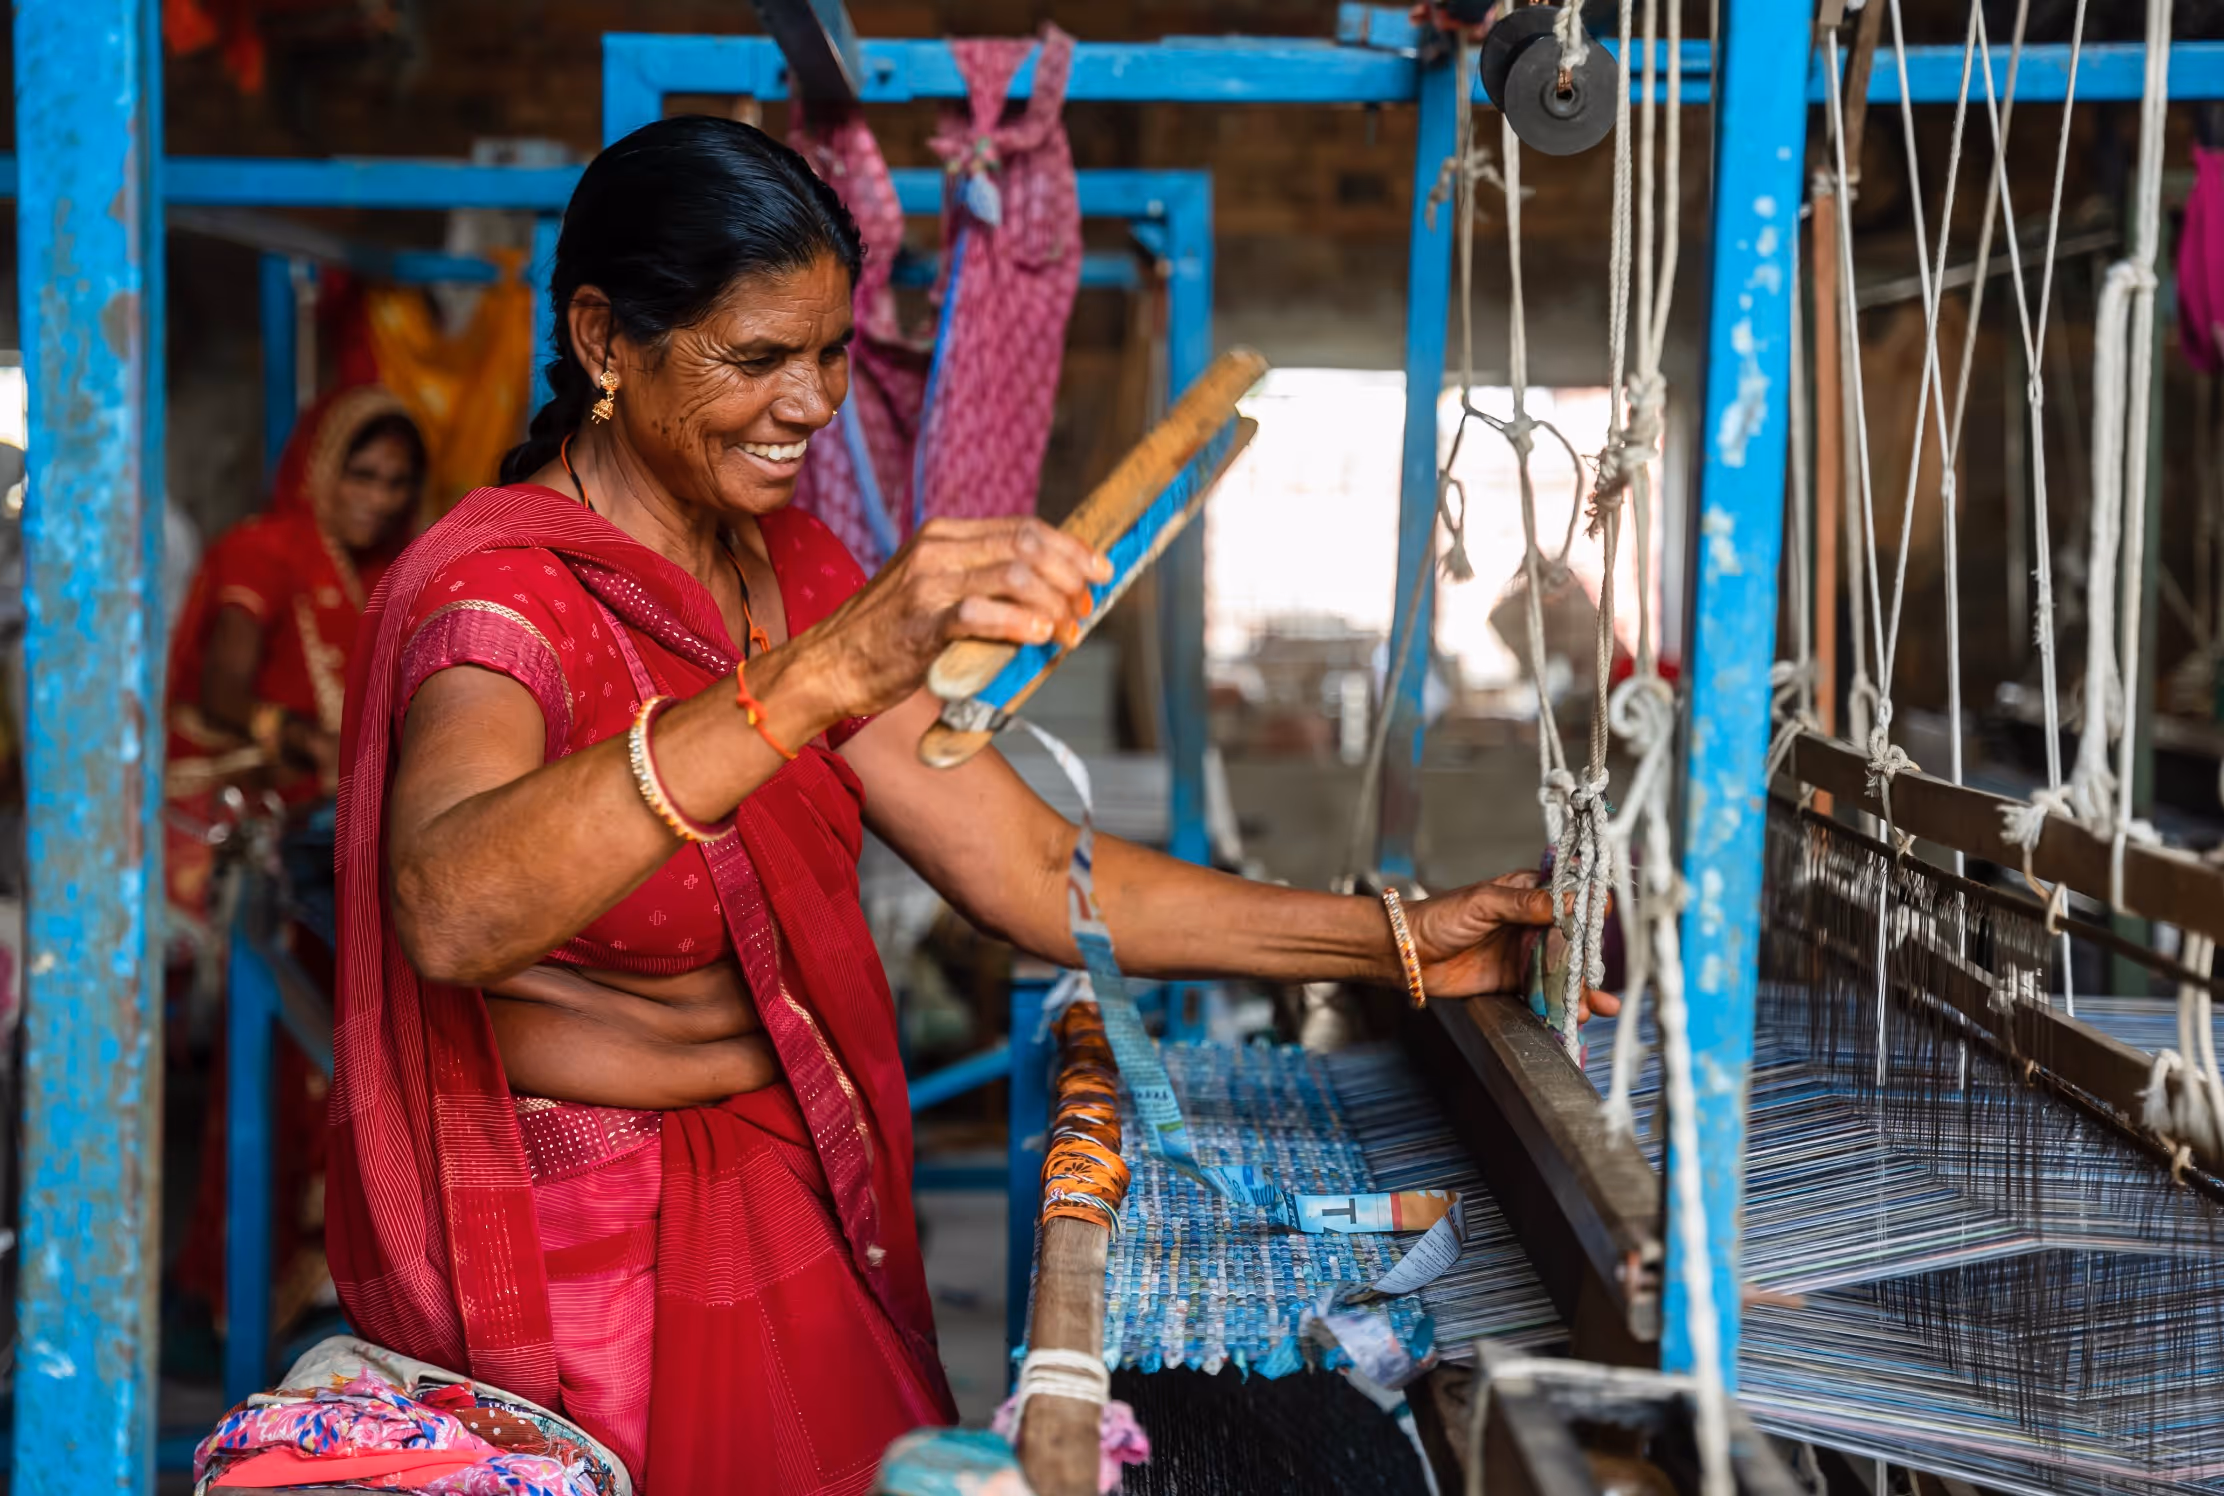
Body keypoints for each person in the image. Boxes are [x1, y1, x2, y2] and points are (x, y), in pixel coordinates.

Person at [328, 116, 1613, 1496]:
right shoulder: (500, 599)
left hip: (790, 1197)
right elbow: (450, 911)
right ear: (602, 341)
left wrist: (1408, 941)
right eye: (756, 358)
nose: (810, 404)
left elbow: (1031, 865)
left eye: (826, 353)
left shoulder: (787, 567)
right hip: (595, 1271)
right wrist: (821, 675)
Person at [165, 385, 426, 1341]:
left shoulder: (398, 570)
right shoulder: (261, 552)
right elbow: (228, 686)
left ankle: (341, 1292)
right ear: (319, 464)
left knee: (365, 1062)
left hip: (356, 840)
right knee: (277, 1073)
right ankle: (233, 1290)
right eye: (361, 473)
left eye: (397, 483)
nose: (377, 497)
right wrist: (310, 743)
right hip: (284, 846)